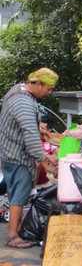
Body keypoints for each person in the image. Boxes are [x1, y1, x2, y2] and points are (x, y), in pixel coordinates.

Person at [0, 67, 59, 249]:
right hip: (17, 156)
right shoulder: (24, 104)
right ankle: (12, 236)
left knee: (16, 191)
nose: (49, 93)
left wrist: (38, 130)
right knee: (20, 194)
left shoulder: (18, 89)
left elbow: (23, 126)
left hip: (8, 151)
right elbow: (31, 141)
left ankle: (16, 228)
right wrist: (46, 162)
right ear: (38, 84)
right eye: (48, 89)